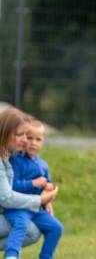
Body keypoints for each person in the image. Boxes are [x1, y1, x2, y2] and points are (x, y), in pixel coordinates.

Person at [0, 109, 58, 255]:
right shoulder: (10, 161)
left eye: (28, 135)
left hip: (12, 210)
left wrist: (46, 197)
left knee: (36, 230)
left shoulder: (8, 156)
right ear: (5, 132)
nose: (27, 141)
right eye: (20, 135)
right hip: (10, 209)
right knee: (24, 226)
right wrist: (39, 198)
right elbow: (7, 198)